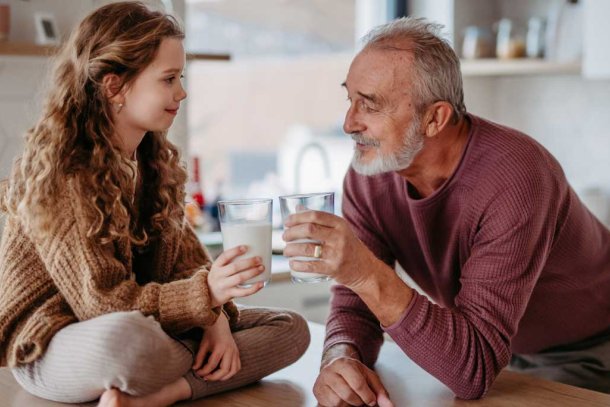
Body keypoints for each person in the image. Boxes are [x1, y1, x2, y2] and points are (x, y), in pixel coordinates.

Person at [281, 17, 610, 405]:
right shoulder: (371, 174)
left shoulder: (517, 176)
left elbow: (473, 371)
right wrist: (341, 355)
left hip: (588, 353)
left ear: (435, 118)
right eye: (349, 99)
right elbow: (357, 302)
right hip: (496, 355)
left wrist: (362, 269)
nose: (349, 123)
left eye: (369, 106)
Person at [0, 2, 309, 406]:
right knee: (129, 341)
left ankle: (161, 394)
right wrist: (205, 299)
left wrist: (214, 318)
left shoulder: (152, 161)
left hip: (144, 326)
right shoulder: (65, 173)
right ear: (114, 87)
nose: (181, 92)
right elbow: (103, 305)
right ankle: (180, 376)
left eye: (179, 77)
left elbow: (188, 263)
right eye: (168, 79)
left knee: (291, 327)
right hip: (57, 343)